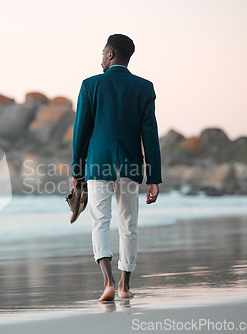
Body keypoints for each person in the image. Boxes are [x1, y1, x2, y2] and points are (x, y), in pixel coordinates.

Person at [71, 34, 162, 301]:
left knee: (100, 221)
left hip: (98, 166)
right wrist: (153, 176)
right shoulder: (144, 87)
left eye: (102, 53)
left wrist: (78, 171)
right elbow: (150, 135)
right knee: (129, 224)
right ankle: (124, 286)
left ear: (110, 54)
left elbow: (81, 133)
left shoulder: (90, 85)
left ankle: (107, 282)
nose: (101, 58)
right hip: (131, 167)